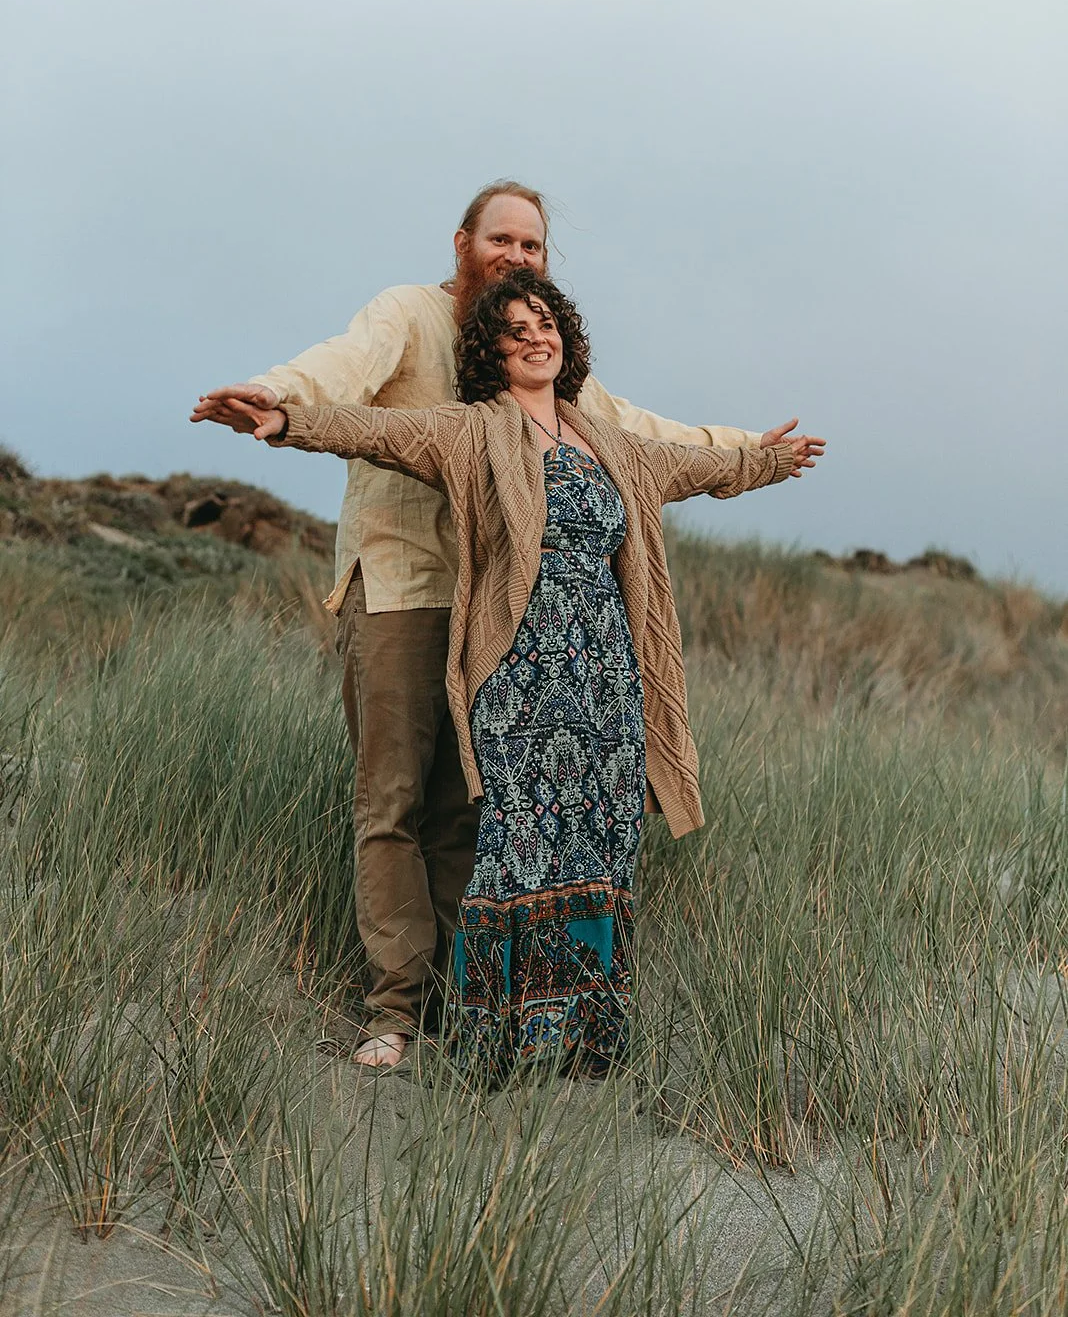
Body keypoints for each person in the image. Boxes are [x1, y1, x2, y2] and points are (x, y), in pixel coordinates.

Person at [191, 181, 825, 1068]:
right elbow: (354, 406)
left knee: (479, 817)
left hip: (536, 634)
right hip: (411, 590)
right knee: (396, 804)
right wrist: (278, 405)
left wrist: (755, 453)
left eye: (534, 250)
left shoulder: (582, 416)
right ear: (464, 244)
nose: (519, 264)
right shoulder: (417, 329)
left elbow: (659, 449)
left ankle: (478, 1004)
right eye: (503, 242)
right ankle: (398, 1012)